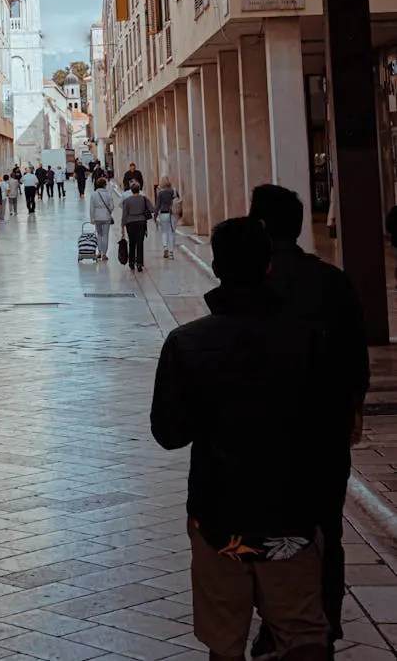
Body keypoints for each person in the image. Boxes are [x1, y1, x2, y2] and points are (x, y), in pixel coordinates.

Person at [151, 217, 330, 661]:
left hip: (219, 516)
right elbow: (330, 425)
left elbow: (169, 433)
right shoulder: (308, 338)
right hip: (291, 512)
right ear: (268, 266)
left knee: (224, 639)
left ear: (216, 267)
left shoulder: (185, 343)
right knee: (301, 635)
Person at [249, 184, 369, 659]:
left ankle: (277, 624)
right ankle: (326, 620)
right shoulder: (331, 282)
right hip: (324, 431)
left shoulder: (252, 287)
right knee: (327, 530)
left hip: (268, 438)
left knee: (270, 530)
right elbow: (354, 355)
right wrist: (353, 410)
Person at [121, 180, 153, 273]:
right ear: (139, 189)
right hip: (141, 222)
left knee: (132, 242)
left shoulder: (127, 201)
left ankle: (131, 262)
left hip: (130, 223)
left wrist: (122, 226)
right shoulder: (143, 198)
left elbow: (124, 215)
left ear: (131, 190)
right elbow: (152, 209)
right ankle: (139, 263)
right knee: (140, 242)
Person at [89, 176, 115, 261]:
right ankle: (104, 254)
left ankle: (99, 252)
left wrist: (92, 218)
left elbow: (91, 208)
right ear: (105, 185)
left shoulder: (94, 194)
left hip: (97, 217)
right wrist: (108, 212)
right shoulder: (108, 194)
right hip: (106, 216)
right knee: (105, 235)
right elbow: (112, 206)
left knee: (99, 235)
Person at [156, 174, 178, 260]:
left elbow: (157, 205)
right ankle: (171, 253)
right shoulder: (174, 191)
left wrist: (155, 214)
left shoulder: (160, 193)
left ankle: (165, 247)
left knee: (164, 231)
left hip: (163, 213)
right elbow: (178, 202)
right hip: (173, 214)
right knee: (171, 232)